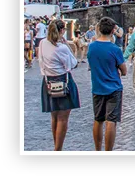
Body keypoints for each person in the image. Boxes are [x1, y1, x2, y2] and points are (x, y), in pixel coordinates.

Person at [39, 19, 81, 150]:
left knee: (54, 116)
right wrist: (67, 46)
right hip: (63, 80)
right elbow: (73, 63)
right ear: (62, 31)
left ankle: (56, 146)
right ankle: (58, 149)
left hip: (48, 80)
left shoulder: (42, 43)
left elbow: (40, 60)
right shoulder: (61, 47)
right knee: (63, 118)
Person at [87, 17, 127, 150]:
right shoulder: (115, 49)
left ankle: (97, 150)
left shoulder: (91, 47)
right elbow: (124, 70)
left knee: (98, 120)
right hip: (113, 88)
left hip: (97, 87)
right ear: (112, 32)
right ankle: (108, 151)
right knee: (111, 121)